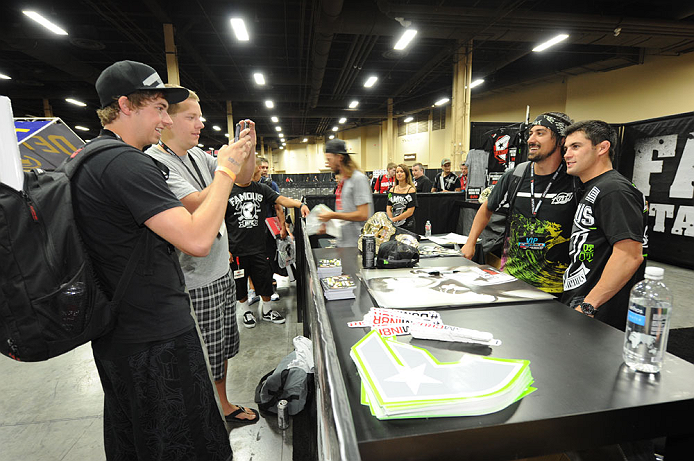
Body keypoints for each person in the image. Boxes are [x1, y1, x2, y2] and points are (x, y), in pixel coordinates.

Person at [72, 60, 255, 460]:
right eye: (157, 108)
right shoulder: (125, 163)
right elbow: (196, 238)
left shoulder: (94, 158)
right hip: (152, 337)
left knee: (141, 438)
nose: (163, 119)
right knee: (180, 440)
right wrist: (224, 170)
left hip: (124, 332)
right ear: (124, 105)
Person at [144, 86, 257, 424]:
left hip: (219, 270)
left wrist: (246, 150)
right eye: (190, 117)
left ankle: (220, 402)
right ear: (166, 122)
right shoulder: (157, 162)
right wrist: (227, 167)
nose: (199, 125)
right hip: (192, 280)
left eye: (199, 117)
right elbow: (196, 203)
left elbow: (244, 178)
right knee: (201, 353)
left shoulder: (198, 157)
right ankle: (201, 413)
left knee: (220, 347)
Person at [461, 112, 577, 295]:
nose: (531, 139)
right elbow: (486, 208)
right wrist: (470, 243)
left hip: (556, 288)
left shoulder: (574, 180)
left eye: (540, 133)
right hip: (511, 280)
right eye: (531, 133)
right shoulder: (515, 175)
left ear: (561, 140)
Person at [562, 120, 647, 330]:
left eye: (575, 146)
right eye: (566, 148)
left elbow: (629, 256)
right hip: (582, 302)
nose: (566, 154)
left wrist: (589, 306)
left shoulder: (614, 190)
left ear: (602, 148)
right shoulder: (596, 187)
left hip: (600, 315)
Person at [227, 159, 309, 327]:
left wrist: (300, 204)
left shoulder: (261, 188)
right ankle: (246, 312)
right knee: (240, 282)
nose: (254, 173)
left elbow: (282, 201)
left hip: (259, 247)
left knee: (264, 279)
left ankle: (267, 311)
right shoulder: (227, 191)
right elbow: (218, 221)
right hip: (236, 249)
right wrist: (224, 249)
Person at [318, 139, 374, 247]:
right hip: (344, 244)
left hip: (357, 246)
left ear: (340, 158)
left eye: (329, 159)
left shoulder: (358, 179)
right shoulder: (344, 181)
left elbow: (363, 214)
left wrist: (332, 215)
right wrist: (329, 225)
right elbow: (346, 215)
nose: (328, 164)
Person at [386, 164, 418, 233]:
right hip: (394, 225)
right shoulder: (392, 190)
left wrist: (394, 219)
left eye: (401, 171)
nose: (399, 174)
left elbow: (410, 211)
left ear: (406, 174)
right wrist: (390, 219)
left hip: (407, 225)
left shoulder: (411, 190)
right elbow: (388, 207)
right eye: (397, 172)